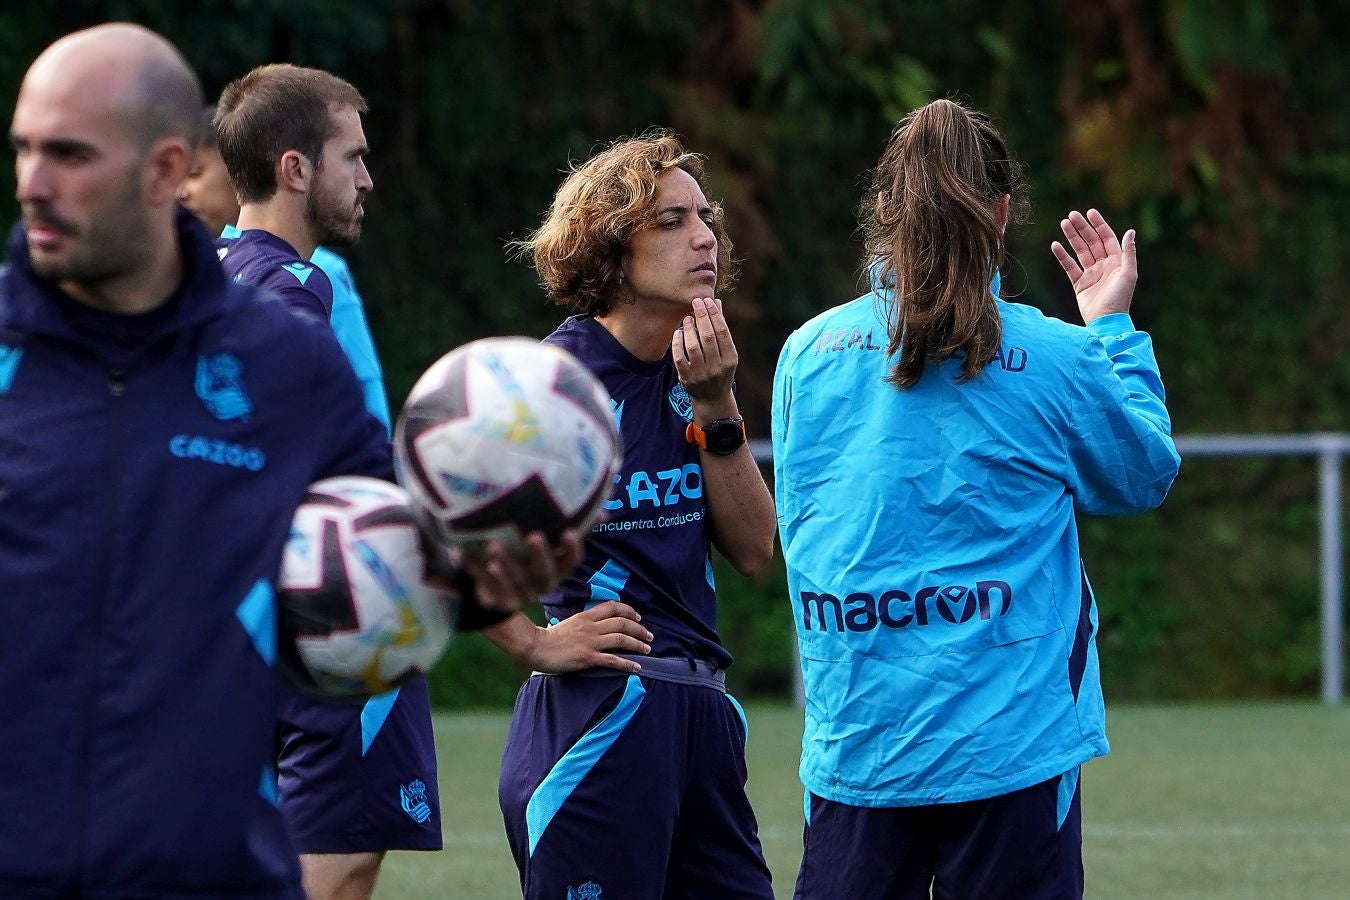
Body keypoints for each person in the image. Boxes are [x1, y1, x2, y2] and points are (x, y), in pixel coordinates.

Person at [0, 23, 574, 900]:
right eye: (26, 150)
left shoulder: (284, 360)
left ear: (165, 172)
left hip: (210, 858)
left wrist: (488, 576)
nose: (33, 184)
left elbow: (375, 540)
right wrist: (531, 640)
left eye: (69, 154)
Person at [771, 98, 1182, 899]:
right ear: (1000, 213)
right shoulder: (1056, 356)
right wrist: (1111, 328)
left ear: (885, 209)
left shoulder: (805, 352)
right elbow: (1141, 474)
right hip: (1011, 747)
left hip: (860, 744)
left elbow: (807, 519)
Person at [487, 132, 778, 900]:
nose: (707, 235)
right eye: (673, 220)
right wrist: (532, 642)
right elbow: (432, 530)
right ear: (610, 246)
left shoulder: (697, 371)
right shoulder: (553, 385)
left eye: (706, 216)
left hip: (703, 719)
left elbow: (754, 551)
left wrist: (717, 406)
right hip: (599, 720)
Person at [208, 63, 429, 900]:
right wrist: (522, 635)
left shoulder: (209, 271)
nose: (369, 177)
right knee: (333, 874)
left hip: (237, 633)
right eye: (354, 157)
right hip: (329, 627)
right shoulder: (292, 289)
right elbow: (335, 485)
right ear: (295, 169)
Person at [178, 105, 392, 429]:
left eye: (194, 174)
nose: (180, 192)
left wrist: (373, 471)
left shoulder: (317, 271)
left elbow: (365, 387)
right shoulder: (188, 268)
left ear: (238, 166)